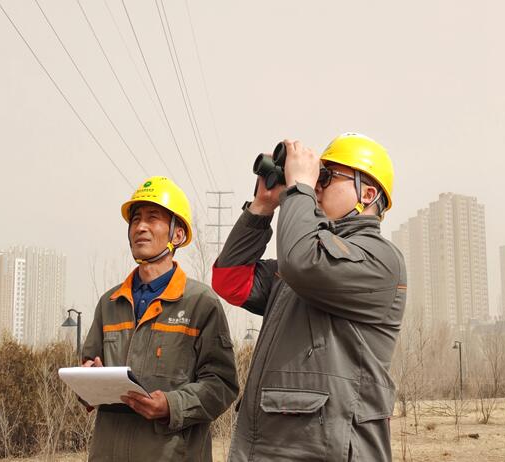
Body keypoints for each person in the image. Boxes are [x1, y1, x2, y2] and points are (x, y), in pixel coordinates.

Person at [212, 133, 407, 461]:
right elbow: (230, 280)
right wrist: (262, 206)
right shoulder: (301, 262)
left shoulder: (380, 258)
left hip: (328, 449)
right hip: (267, 448)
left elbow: (302, 261)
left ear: (368, 193)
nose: (316, 185)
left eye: (327, 177)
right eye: (318, 176)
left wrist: (299, 184)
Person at [82, 176, 238, 462]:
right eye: (135, 219)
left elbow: (222, 385)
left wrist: (172, 405)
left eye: (153, 218)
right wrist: (89, 380)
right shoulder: (110, 303)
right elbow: (88, 369)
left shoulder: (201, 303)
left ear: (177, 235)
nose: (140, 227)